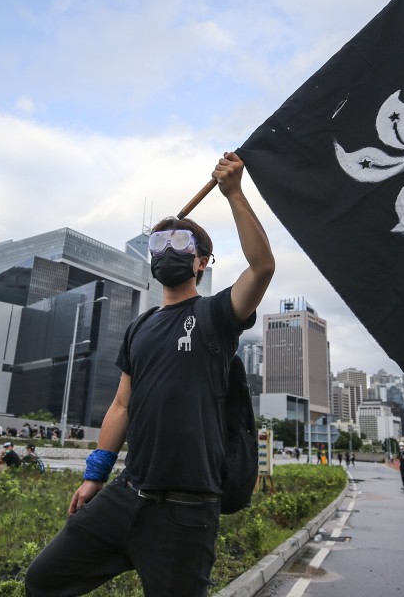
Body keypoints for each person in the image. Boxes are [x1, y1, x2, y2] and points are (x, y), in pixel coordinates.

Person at [26, 151, 274, 597]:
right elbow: (121, 405)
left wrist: (234, 193)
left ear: (201, 262)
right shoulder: (139, 326)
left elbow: (262, 268)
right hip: (127, 494)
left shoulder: (217, 314)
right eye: (158, 246)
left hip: (186, 510)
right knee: (43, 580)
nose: (167, 252)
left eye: (181, 245)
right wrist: (94, 476)